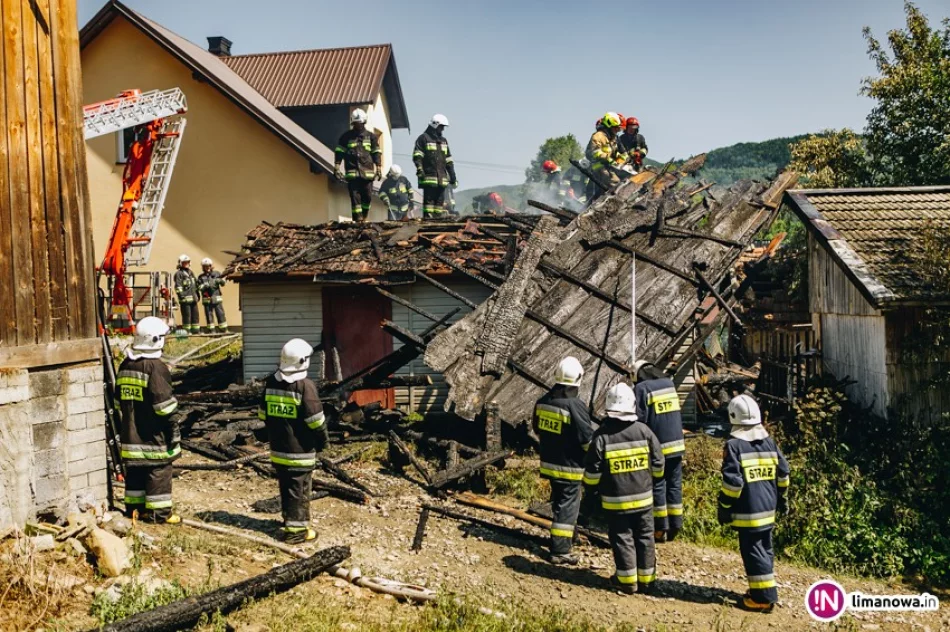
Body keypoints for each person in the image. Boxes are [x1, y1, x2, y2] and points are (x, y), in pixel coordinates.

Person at [583, 382, 664, 595]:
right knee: (645, 537)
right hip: (645, 500)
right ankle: (647, 581)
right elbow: (659, 465)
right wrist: (650, 481)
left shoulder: (601, 437)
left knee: (622, 538)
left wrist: (591, 492)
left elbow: (592, 474)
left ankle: (627, 581)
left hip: (616, 502)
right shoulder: (645, 431)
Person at [717, 394, 790, 613]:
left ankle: (763, 598)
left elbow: (733, 484)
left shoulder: (734, 446)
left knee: (753, 551)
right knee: (764, 550)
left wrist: (725, 507)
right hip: (768, 509)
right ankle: (761, 589)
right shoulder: (769, 443)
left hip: (748, 511)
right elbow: (784, 472)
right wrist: (782, 498)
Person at [258, 338, 329, 543]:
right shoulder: (305, 386)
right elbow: (316, 420)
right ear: (303, 361)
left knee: (286, 486)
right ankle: (297, 532)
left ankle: (289, 520)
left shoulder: (271, 383)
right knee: (300, 489)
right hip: (300, 451)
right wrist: (323, 441)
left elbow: (262, 414)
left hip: (278, 449)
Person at [117, 317, 182, 524]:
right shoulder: (155, 367)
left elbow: (119, 402)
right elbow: (164, 406)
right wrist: (174, 429)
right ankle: (158, 514)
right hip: (153, 435)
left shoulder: (126, 365)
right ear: (156, 340)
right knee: (159, 470)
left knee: (135, 471)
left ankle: (135, 510)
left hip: (130, 435)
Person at [532, 357, 596, 565]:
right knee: (568, 505)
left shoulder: (542, 402)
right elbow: (587, 439)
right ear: (578, 378)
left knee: (560, 502)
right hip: (570, 467)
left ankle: (567, 537)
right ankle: (560, 550)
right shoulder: (575, 406)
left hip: (549, 462)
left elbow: (536, 429)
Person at [633, 360, 685, 542]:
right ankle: (675, 524)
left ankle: (660, 527)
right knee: (674, 484)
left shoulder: (641, 389)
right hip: (678, 444)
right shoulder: (669, 384)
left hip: (658, 447)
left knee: (658, 484)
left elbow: (639, 419)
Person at [334, 108, 382, 222]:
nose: (358, 125)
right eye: (356, 123)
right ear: (352, 122)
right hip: (352, 174)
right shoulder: (346, 137)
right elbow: (339, 152)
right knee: (355, 198)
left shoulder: (371, 137)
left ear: (364, 122)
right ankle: (358, 220)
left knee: (368, 197)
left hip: (367, 173)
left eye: (359, 123)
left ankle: (364, 216)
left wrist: (379, 167)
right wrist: (336, 166)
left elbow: (376, 153)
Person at [413, 114, 457, 219]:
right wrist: (420, 169)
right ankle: (428, 220)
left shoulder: (443, 141)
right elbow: (417, 156)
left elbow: (449, 160)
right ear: (435, 125)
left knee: (439, 202)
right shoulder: (423, 138)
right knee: (429, 202)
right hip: (428, 177)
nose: (442, 129)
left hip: (442, 178)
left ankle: (437, 221)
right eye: (441, 127)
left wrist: (452, 175)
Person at [585, 112, 624, 201]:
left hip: (609, 166)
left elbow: (614, 151)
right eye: (615, 128)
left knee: (602, 191)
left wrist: (620, 158)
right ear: (609, 125)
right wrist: (608, 159)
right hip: (598, 166)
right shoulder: (598, 136)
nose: (617, 130)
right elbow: (594, 152)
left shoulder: (612, 137)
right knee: (615, 184)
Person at [197, 258, 228, 333]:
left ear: (211, 266)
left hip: (217, 299)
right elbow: (199, 288)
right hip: (207, 300)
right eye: (205, 266)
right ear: (203, 267)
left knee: (220, 314)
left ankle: (224, 330)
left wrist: (219, 280)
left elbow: (223, 283)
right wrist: (205, 285)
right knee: (209, 316)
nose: (207, 268)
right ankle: (211, 331)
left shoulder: (217, 273)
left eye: (208, 266)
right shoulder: (201, 277)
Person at [173, 254, 200, 336]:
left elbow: (195, 285)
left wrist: (198, 294)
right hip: (185, 300)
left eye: (187, 262)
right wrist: (182, 296)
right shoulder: (179, 274)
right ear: (181, 263)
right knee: (186, 316)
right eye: (184, 262)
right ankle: (186, 333)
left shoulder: (191, 273)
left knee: (195, 315)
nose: (186, 264)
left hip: (193, 299)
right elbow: (178, 287)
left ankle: (195, 332)